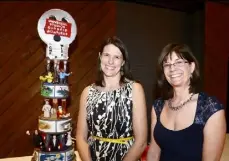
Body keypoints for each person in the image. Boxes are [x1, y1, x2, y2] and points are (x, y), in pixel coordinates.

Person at [147, 43, 226, 161]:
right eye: (167, 64)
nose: (172, 68)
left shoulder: (209, 108)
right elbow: (153, 152)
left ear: (192, 67)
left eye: (178, 62)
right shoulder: (158, 106)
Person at [76, 36, 147, 161]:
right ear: (100, 57)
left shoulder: (135, 89)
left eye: (117, 57)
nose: (110, 61)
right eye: (106, 55)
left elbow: (141, 141)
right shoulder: (87, 92)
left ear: (123, 62)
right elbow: (81, 138)